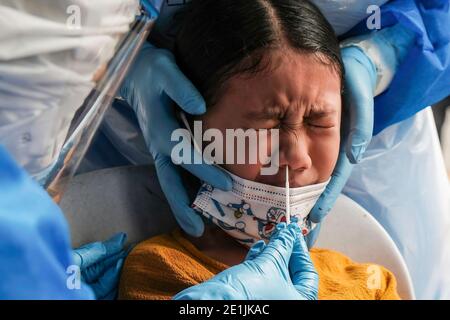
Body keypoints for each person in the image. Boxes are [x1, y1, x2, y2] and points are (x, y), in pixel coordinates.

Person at [118, 0, 400, 300]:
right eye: (269, 123)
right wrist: (116, 56)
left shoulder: (372, 284)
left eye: (318, 121)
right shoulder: (159, 272)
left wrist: (388, 50)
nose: (297, 157)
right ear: (187, 127)